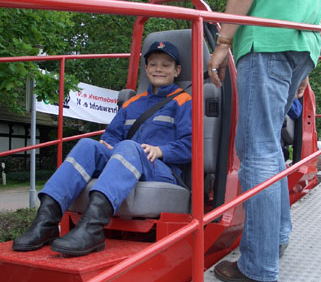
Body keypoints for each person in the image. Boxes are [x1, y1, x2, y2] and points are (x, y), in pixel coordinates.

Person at [13, 41, 192, 256]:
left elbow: (191, 145)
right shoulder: (131, 103)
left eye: (166, 65)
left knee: (128, 147)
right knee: (88, 145)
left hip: (161, 169)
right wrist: (109, 145)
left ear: (177, 71)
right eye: (153, 64)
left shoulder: (184, 102)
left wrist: (161, 150)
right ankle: (46, 222)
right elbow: (112, 135)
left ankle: (92, 228)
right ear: (146, 69)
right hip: (127, 161)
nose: (159, 69)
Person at [207, 0, 321, 282]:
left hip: (266, 41)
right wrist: (306, 63)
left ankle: (258, 266)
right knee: (266, 146)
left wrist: (224, 42)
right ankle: (278, 238)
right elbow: (311, 3)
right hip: (302, 43)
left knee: (258, 149)